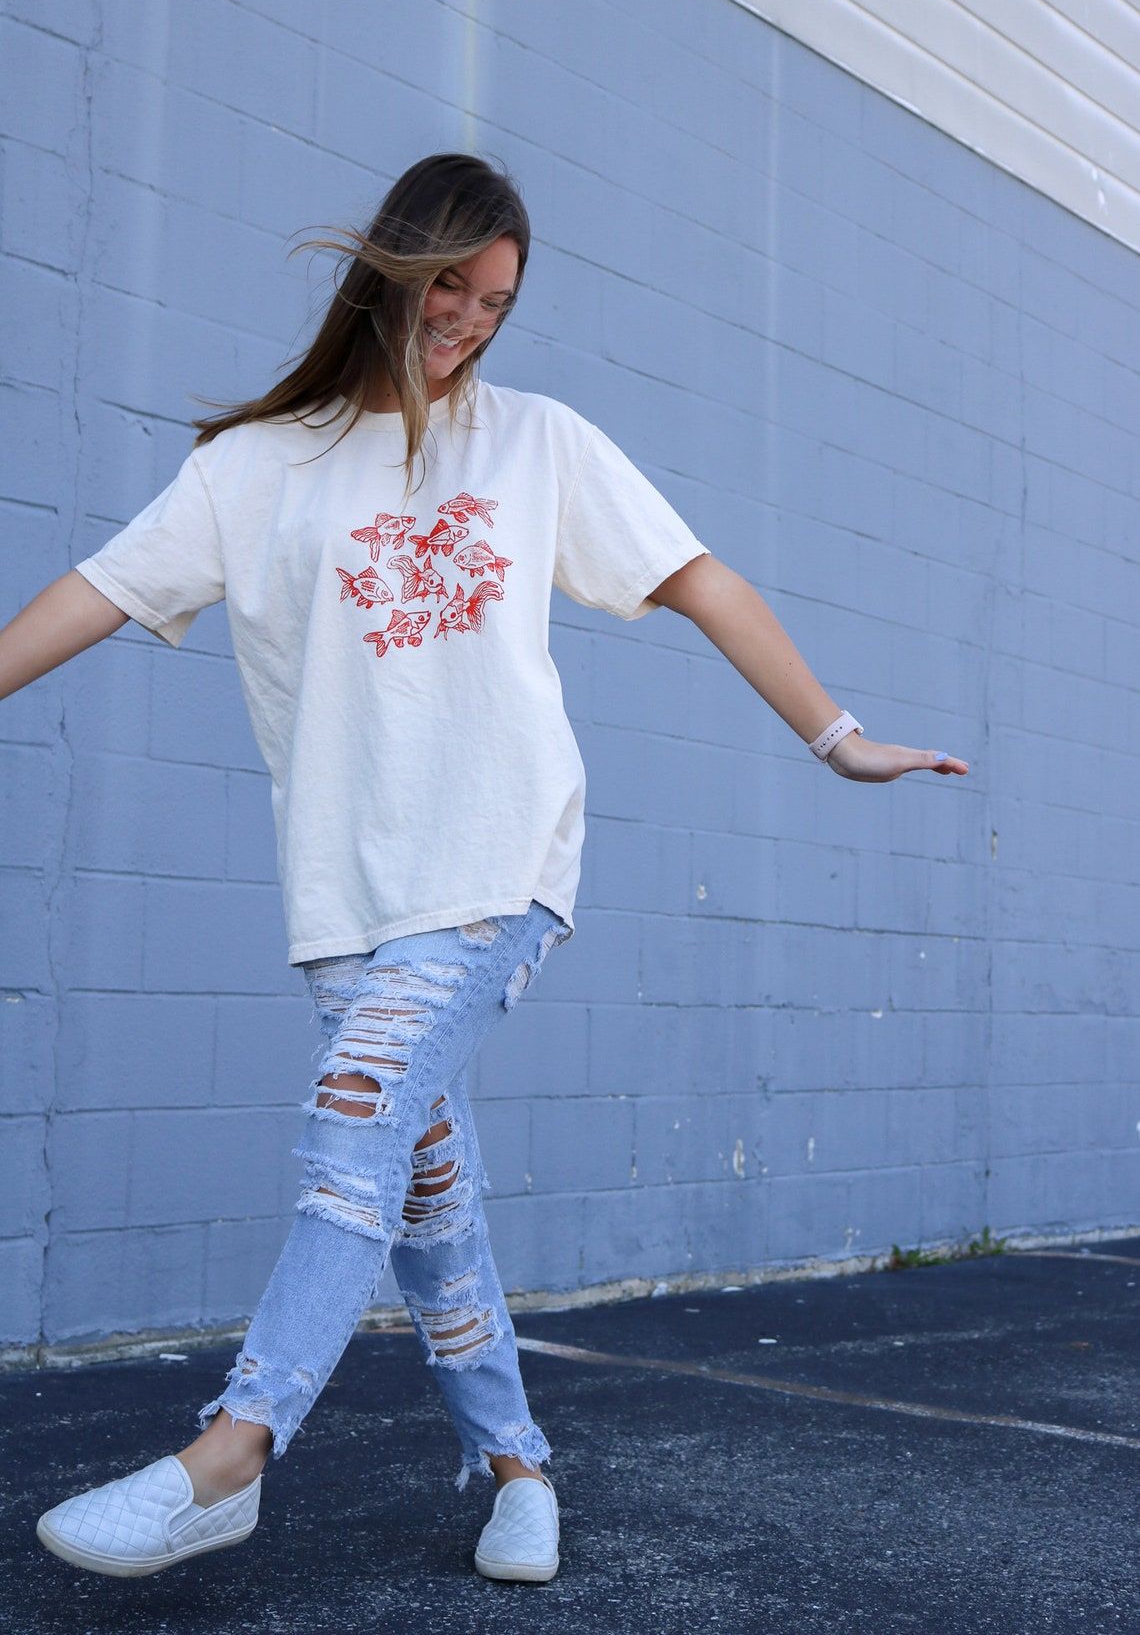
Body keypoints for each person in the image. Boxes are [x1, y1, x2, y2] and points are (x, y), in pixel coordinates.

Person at [5, 152, 968, 1587]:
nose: (468, 318)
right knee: (428, 1196)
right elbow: (85, 599)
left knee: (353, 1122)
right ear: (397, 263)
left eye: (497, 299)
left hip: (499, 864)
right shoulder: (251, 470)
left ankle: (231, 1452)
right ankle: (519, 1467)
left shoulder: (538, 445)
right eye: (452, 282)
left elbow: (700, 575)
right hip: (346, 895)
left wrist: (834, 737)